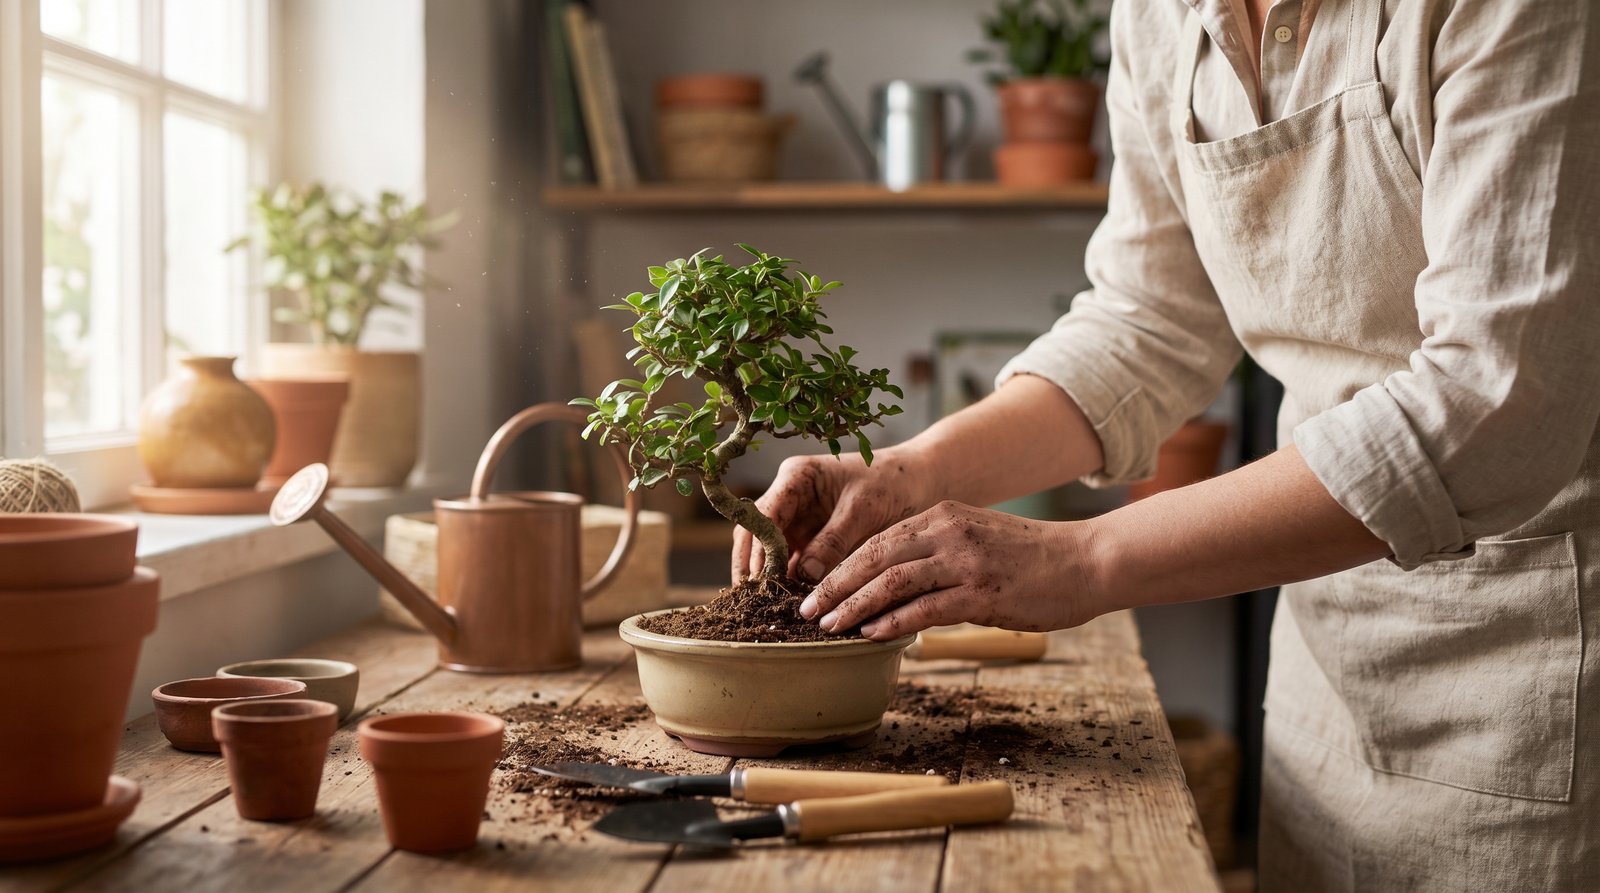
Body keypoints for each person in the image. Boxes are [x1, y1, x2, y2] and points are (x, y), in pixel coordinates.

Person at [731, 0, 1599, 888]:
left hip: (1528, 673)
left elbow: (1497, 401)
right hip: (1329, 656)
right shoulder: (1159, 15)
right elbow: (1150, 319)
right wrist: (910, 472)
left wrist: (1082, 559)